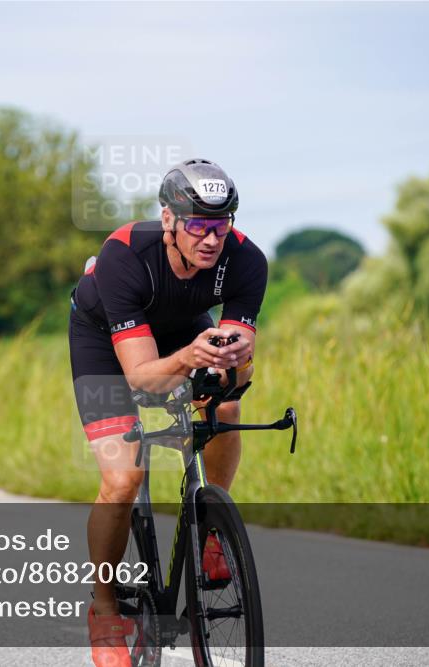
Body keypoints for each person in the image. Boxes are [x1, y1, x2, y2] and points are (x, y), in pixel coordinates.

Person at [69, 159, 268, 666]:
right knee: (122, 478)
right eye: (199, 225)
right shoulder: (124, 256)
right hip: (103, 342)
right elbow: (139, 376)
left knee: (224, 401)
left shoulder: (247, 261)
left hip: (182, 326)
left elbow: (241, 362)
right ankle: (106, 608)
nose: (211, 239)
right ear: (169, 220)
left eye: (221, 225)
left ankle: (212, 533)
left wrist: (227, 367)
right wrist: (186, 359)